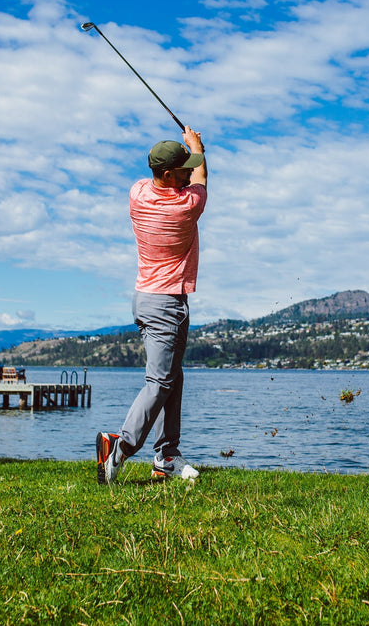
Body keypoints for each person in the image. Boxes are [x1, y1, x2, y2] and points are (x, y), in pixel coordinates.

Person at [97, 125, 207, 484]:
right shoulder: (186, 206)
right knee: (160, 382)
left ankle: (166, 456)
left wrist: (188, 150)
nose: (190, 170)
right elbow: (203, 177)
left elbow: (193, 173)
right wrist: (198, 145)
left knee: (173, 378)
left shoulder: (137, 194)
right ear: (166, 174)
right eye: (183, 168)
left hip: (145, 298)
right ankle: (121, 446)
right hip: (166, 304)